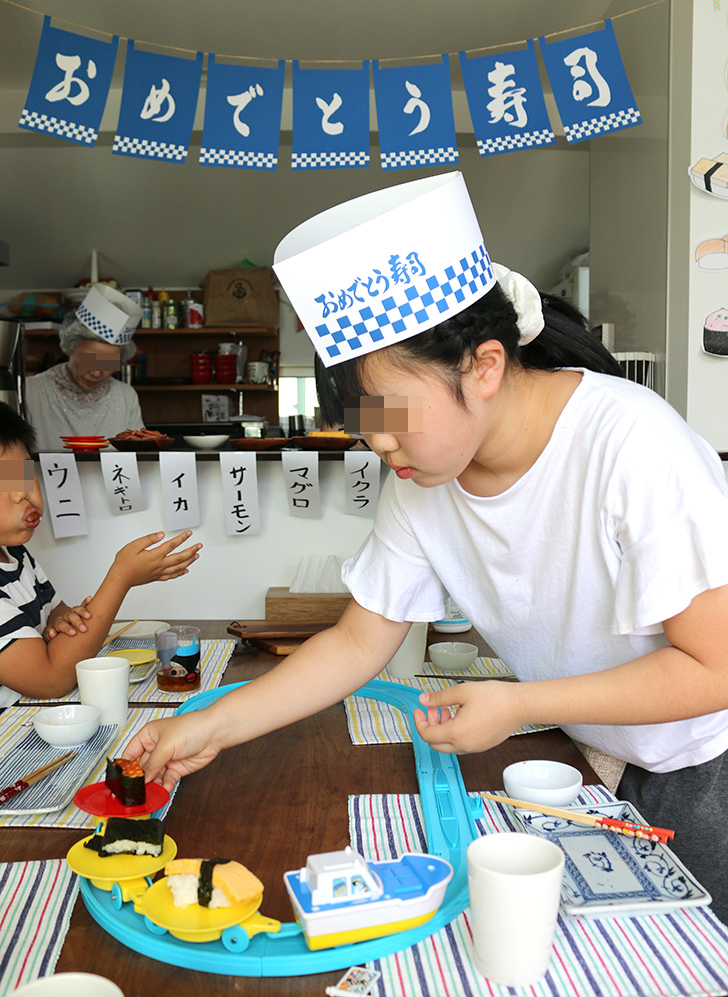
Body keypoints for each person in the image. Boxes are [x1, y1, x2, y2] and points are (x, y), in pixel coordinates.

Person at [123, 173, 728, 921]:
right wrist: (212, 722)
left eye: (393, 415)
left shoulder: (633, 445)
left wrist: (520, 704)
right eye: (363, 421)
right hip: (598, 764)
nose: (379, 445)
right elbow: (357, 640)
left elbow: (714, 667)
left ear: (484, 365)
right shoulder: (426, 477)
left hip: (706, 773)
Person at [0, 403, 202, 706]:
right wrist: (121, 577)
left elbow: (58, 618)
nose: (22, 493)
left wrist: (62, 627)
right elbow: (51, 679)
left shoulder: (16, 553)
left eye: (23, 474)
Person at [24, 283, 144, 451]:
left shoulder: (126, 397)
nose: (96, 372)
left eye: (107, 363)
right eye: (89, 359)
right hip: (41, 478)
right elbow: (11, 458)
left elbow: (139, 461)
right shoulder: (30, 391)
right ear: (69, 349)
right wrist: (25, 479)